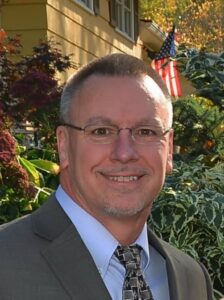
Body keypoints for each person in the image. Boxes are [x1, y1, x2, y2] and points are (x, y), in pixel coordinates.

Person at [0, 53, 213, 300]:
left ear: (168, 147)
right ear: (64, 145)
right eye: (101, 131)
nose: (124, 153)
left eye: (146, 131)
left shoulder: (191, 278)